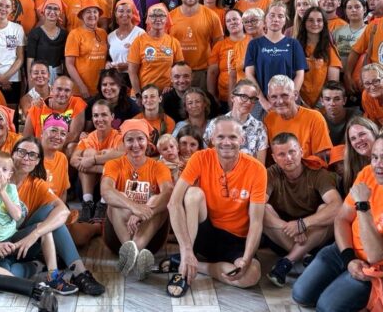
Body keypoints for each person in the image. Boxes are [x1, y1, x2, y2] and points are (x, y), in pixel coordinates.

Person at [0, 135, 107, 295]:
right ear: (13, 154)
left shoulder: (37, 184)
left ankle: (79, 272)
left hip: (18, 240)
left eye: (32, 155)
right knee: (0, 283)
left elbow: (64, 211)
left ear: (38, 161)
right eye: (21, 152)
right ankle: (36, 266)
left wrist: (35, 234)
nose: (26, 158)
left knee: (50, 213)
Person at [292, 133, 383, 310]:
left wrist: (363, 205)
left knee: (326, 308)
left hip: (374, 267)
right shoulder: (367, 173)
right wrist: (348, 258)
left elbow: (375, 255)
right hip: (345, 249)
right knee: (300, 294)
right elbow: (342, 218)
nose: (378, 165)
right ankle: (341, 277)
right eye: (375, 157)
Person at [166, 117, 267, 296]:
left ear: (242, 139)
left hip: (236, 239)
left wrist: (246, 258)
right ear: (212, 139)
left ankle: (195, 265)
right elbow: (173, 203)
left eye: (233, 137)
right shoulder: (200, 157)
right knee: (193, 194)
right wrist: (186, 249)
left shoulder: (257, 169)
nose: (226, 142)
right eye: (220, 137)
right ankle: (185, 263)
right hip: (205, 232)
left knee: (251, 276)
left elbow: (257, 222)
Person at [0, 150, 78, 295]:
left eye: (4, 170)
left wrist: (3, 192)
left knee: (44, 228)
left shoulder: (11, 189)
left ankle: (53, 277)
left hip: (12, 238)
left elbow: (17, 215)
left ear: (9, 175)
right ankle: (28, 285)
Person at [263, 132, 343, 287]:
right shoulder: (271, 173)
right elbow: (258, 206)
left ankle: (288, 261)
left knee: (326, 209)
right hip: (283, 236)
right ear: (274, 158)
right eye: (281, 154)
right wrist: (290, 228)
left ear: (301, 151)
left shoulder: (317, 173)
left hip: (315, 235)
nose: (288, 158)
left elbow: (337, 205)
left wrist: (303, 224)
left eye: (292, 152)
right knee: (262, 208)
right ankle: (305, 257)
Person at [101, 118, 174, 281]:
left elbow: (168, 192)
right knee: (118, 197)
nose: (135, 145)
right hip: (117, 237)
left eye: (140, 139)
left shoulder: (158, 166)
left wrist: (144, 211)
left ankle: (132, 253)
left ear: (147, 141)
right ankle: (133, 251)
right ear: (123, 142)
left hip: (151, 238)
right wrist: (133, 207)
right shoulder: (113, 164)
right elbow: (105, 191)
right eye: (130, 140)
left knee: (158, 201)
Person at [245, 2, 307, 108]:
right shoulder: (254, 44)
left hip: (288, 102)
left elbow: (300, 74)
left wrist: (291, 98)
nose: (276, 19)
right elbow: (249, 74)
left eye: (280, 16)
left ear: (285, 20)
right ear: (265, 19)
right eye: (272, 15)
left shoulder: (293, 44)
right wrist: (263, 101)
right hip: (262, 102)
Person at [71, 101, 125, 222]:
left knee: (111, 156)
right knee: (89, 152)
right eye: (96, 115)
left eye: (104, 115)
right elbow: (73, 160)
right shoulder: (88, 138)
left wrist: (93, 160)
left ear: (112, 116)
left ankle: (103, 204)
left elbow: (123, 156)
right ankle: (87, 203)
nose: (99, 119)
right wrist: (97, 162)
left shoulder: (119, 137)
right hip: (88, 188)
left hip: (112, 189)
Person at [264, 75, 332, 165]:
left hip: (309, 170)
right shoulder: (269, 119)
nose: (280, 101)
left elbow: (322, 158)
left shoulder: (315, 118)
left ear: (295, 95)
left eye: (284, 95)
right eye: (274, 97)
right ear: (269, 98)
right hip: (281, 170)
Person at [170, 0, 224, 88]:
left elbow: (218, 45)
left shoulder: (212, 16)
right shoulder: (170, 17)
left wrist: (213, 69)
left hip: (202, 72)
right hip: (177, 73)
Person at [206, 79, 269, 164]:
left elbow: (260, 164)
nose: (248, 102)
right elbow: (207, 157)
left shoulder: (259, 128)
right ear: (232, 97)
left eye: (253, 99)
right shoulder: (215, 124)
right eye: (244, 97)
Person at [128, 3, 184, 95]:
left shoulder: (174, 42)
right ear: (148, 19)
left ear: (167, 19)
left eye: (161, 15)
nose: (158, 19)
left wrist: (172, 86)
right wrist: (138, 95)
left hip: (166, 95)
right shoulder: (138, 41)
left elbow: (180, 70)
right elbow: (132, 72)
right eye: (153, 16)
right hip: (144, 95)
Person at [297, 7, 342, 107]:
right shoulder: (295, 47)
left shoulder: (330, 49)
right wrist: (299, 102)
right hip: (299, 103)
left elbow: (332, 84)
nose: (315, 23)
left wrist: (319, 106)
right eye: (310, 20)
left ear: (324, 23)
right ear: (304, 22)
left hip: (322, 105)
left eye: (319, 20)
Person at [65, 0, 109, 98]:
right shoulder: (74, 34)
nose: (92, 15)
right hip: (81, 90)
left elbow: (106, 57)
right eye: (88, 12)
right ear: (82, 16)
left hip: (101, 88)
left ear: (98, 15)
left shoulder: (103, 33)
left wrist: (107, 63)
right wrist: (81, 86)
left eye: (95, 12)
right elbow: (69, 64)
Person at [24, 75, 87, 142]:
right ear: (51, 90)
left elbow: (74, 136)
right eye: (59, 89)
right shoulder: (36, 107)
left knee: (71, 146)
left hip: (64, 147)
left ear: (71, 93)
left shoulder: (77, 103)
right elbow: (26, 139)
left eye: (67, 90)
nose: (62, 94)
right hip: (40, 147)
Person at [208, 9, 249, 107]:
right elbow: (212, 72)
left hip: (248, 95)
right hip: (225, 97)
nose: (232, 22)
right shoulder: (219, 45)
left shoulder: (252, 41)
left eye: (235, 19)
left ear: (242, 20)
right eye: (228, 21)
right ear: (225, 25)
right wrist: (212, 96)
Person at [26, 0, 68, 82]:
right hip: (39, 77)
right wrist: (31, 81)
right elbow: (30, 59)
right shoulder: (34, 33)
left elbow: (65, 60)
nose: (52, 11)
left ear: (60, 12)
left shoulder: (64, 34)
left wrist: (64, 78)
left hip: (58, 77)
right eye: (49, 8)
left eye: (56, 9)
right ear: (43, 11)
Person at [107, 0, 146, 83]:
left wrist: (128, 65)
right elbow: (109, 58)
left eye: (128, 11)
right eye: (121, 11)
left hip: (135, 79)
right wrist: (108, 63)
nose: (125, 14)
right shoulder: (110, 36)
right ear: (116, 14)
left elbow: (146, 59)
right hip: (116, 80)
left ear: (133, 14)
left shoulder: (140, 33)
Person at [340, 117, 378, 195]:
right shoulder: (353, 166)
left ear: (374, 132)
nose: (358, 140)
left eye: (362, 134)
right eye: (353, 138)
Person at [320, 80, 360, 146]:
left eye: (337, 99)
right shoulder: (318, 119)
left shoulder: (356, 115)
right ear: (322, 101)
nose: (332, 103)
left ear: (344, 100)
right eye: (327, 99)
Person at [332, 0, 367, 64]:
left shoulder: (369, 30)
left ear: (365, 9)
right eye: (349, 7)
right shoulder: (337, 31)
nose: (353, 10)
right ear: (345, 11)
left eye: (357, 7)